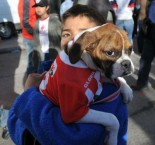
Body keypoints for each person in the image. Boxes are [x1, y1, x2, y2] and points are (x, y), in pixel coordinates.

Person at [8, 5, 129, 145]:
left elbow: (62, 137)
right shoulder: (58, 69)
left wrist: (28, 94)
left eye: (84, 34)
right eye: (66, 34)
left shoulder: (108, 96)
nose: (74, 41)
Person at [32, 0, 61, 73]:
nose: (38, 9)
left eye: (41, 6)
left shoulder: (55, 22)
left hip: (54, 56)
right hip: (42, 57)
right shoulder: (36, 23)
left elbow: (62, 37)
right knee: (42, 79)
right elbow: (36, 43)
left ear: (47, 8)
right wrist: (35, 58)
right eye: (36, 7)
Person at [18, 0, 37, 75]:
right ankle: (31, 80)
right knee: (32, 61)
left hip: (30, 35)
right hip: (30, 37)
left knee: (33, 60)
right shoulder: (27, 1)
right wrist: (35, 33)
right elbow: (25, 22)